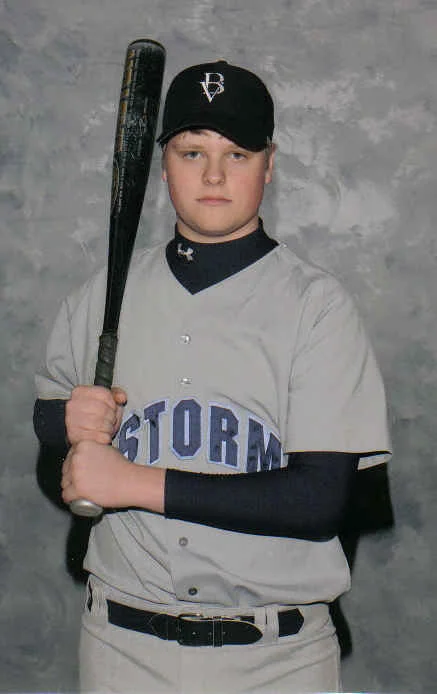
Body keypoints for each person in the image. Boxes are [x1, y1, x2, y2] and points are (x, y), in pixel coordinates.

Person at [34, 59, 391, 694]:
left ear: (269, 165)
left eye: (238, 154)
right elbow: (52, 426)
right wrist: (66, 425)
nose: (215, 175)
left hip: (276, 661)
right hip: (121, 648)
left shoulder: (317, 306)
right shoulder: (105, 293)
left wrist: (131, 481)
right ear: (162, 165)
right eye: (192, 152)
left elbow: (318, 500)